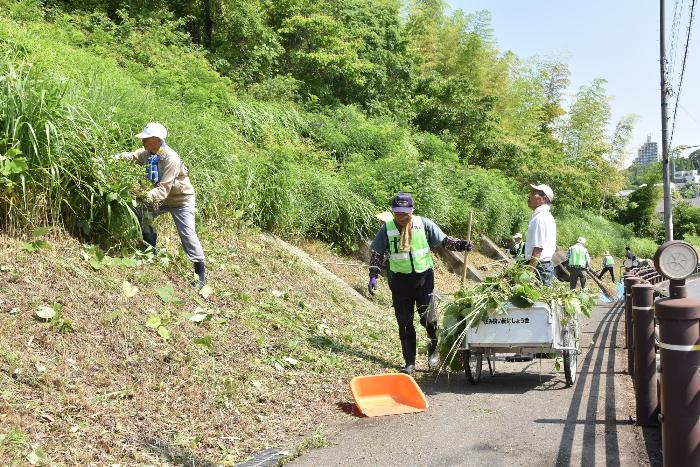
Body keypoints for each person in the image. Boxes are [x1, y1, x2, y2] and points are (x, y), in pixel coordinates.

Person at [367, 192, 472, 375]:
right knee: (405, 322)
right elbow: (377, 253)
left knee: (428, 319)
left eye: (404, 213)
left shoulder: (424, 224)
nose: (401, 217)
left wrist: (462, 245)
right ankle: (410, 362)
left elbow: (445, 241)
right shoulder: (387, 228)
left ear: (412, 210)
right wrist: (373, 274)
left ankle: (433, 347)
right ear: (392, 212)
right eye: (397, 213)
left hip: (423, 279)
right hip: (399, 281)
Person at [113, 122, 206, 288]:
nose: (143, 141)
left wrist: (143, 196)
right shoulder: (149, 153)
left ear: (157, 140)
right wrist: (111, 158)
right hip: (161, 199)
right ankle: (150, 247)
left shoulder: (171, 159)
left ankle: (200, 274)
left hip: (180, 200)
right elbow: (132, 157)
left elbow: (163, 189)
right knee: (139, 213)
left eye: (146, 139)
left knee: (188, 235)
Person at [524, 184, 557, 285]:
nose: (529, 196)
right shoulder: (544, 216)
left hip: (538, 268)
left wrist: (527, 275)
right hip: (541, 266)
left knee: (535, 300)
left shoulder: (540, 218)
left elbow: (538, 250)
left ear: (544, 198)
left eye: (533, 193)